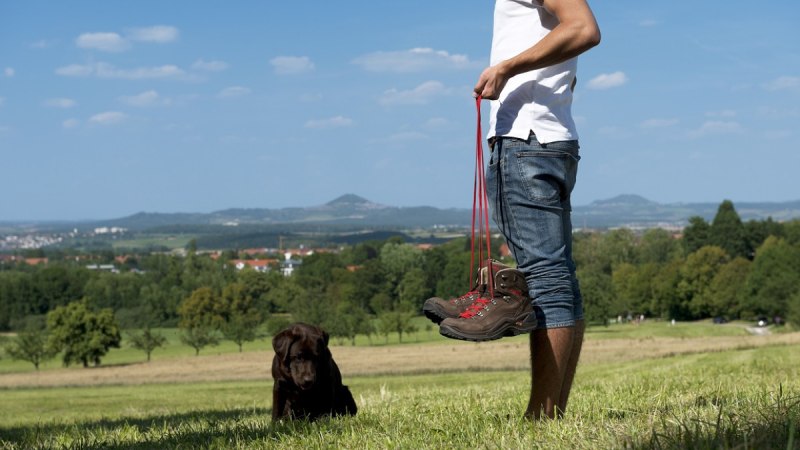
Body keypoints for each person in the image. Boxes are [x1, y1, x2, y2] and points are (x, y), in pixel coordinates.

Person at [434, 0, 601, 420]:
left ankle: (541, 419)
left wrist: (506, 68)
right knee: (560, 280)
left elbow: (583, 29)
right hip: (552, 139)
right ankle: (552, 413)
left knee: (547, 282)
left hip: (525, 141)